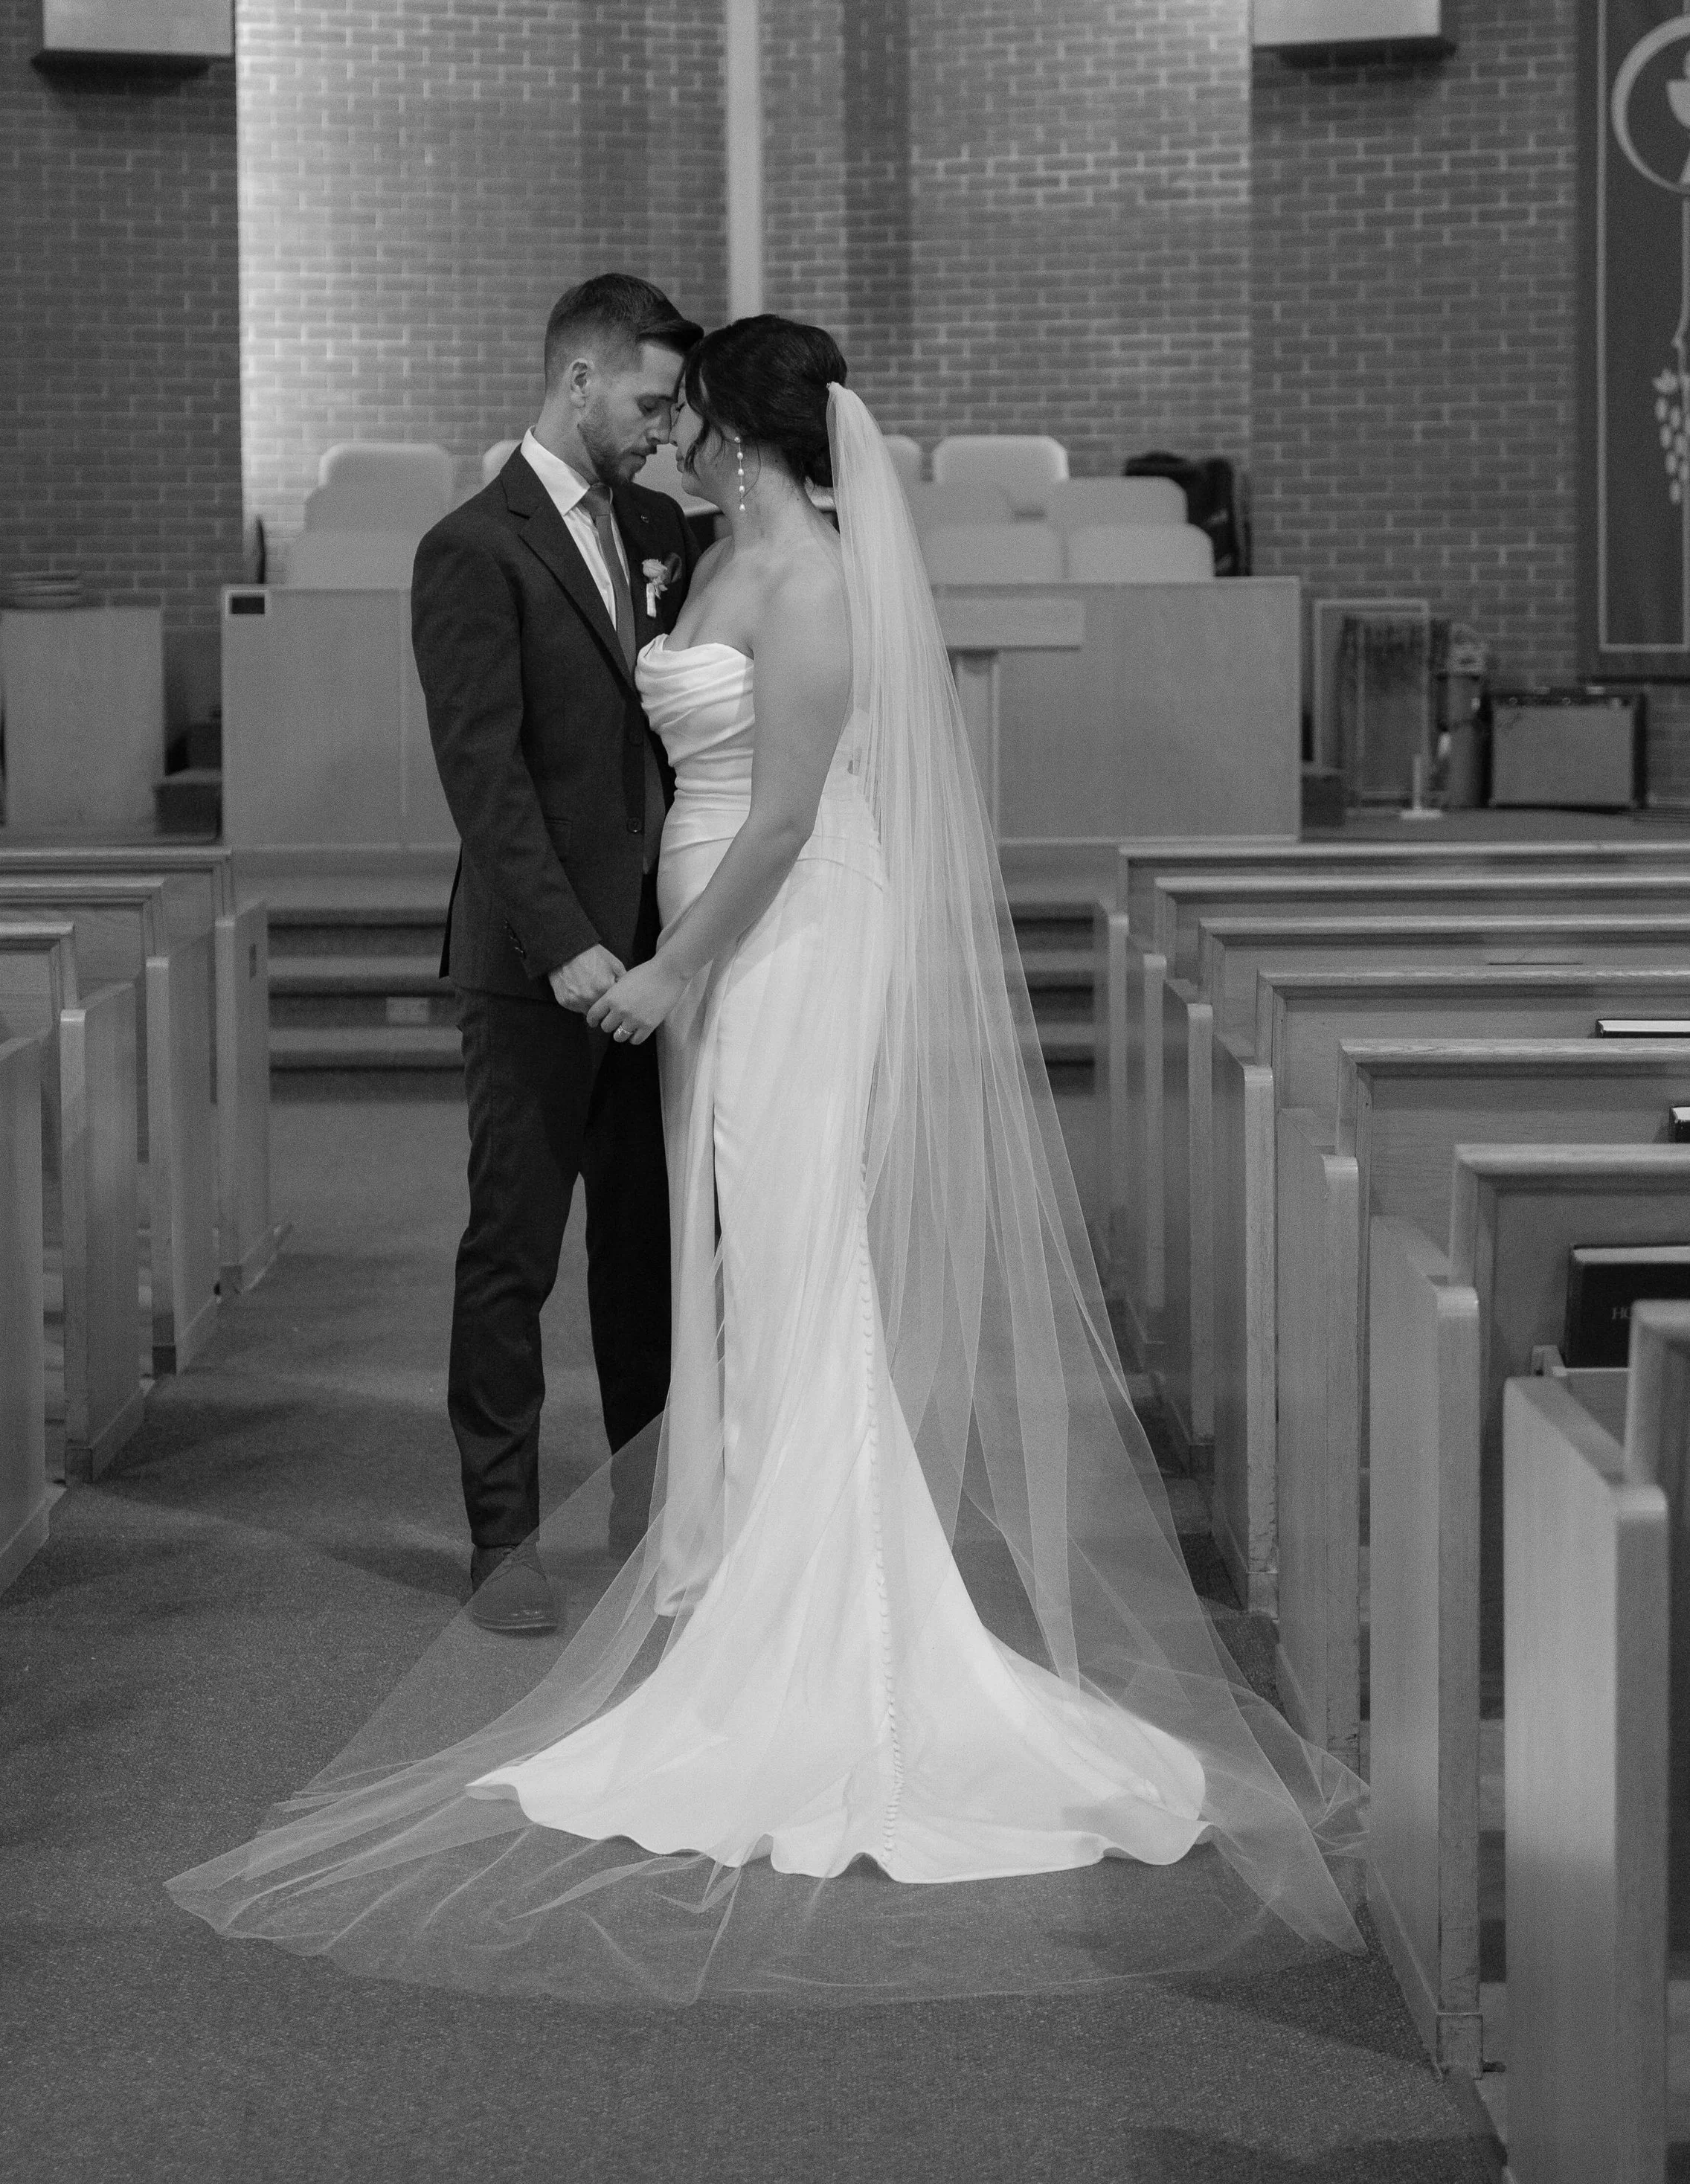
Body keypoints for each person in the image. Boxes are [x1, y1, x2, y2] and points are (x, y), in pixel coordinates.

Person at [170, 319, 1363, 2001]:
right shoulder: (698, 547)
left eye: (688, 415)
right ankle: (723, 1560)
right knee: (730, 1248)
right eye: (651, 408)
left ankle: (832, 1622)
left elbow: (793, 811)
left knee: (800, 1245)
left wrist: (672, 964)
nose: (667, 441)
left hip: (779, 934)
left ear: (740, 425)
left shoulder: (808, 584)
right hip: (693, 936)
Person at [408, 273, 701, 1633]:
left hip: (654, 961)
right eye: (647, 402)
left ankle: (648, 1515)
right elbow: (488, 780)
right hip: (537, 968)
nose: (662, 428)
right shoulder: (472, 546)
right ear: (579, 380)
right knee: (513, 1251)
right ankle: (504, 1538)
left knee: (646, 1257)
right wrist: (571, 944)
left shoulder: (659, 528)